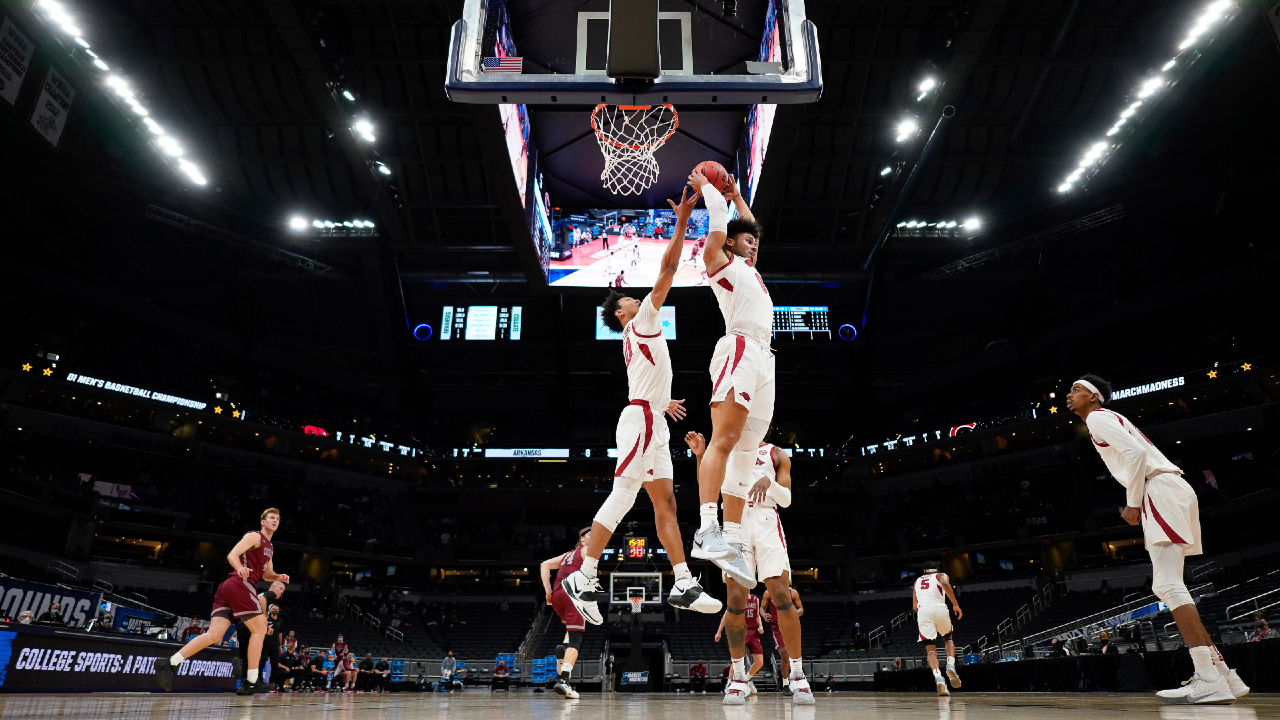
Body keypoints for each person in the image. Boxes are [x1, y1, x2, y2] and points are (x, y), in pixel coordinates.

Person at [561, 188, 721, 630]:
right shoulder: (643, 319)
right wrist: (684, 221)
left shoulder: (639, 334)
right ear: (621, 313)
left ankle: (684, 580)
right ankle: (585, 574)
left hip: (652, 418)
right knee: (625, 493)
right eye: (628, 298)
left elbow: (647, 379)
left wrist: (661, 399)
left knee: (666, 501)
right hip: (640, 420)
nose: (636, 297)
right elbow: (669, 268)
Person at [1067, 376, 1248, 704]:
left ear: (1094, 397)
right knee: (1170, 584)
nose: (1069, 395)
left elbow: (1135, 453)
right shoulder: (1107, 419)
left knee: (1167, 585)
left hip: (1158, 489)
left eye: (1076, 390)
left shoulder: (1097, 417)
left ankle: (1208, 677)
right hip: (1171, 487)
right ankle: (1224, 675)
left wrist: (1133, 501)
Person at [685, 169, 769, 593]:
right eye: (746, 239)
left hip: (763, 358)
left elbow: (751, 227)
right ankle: (706, 527)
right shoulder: (720, 262)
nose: (753, 241)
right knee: (725, 439)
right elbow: (721, 231)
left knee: (747, 450)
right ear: (731, 244)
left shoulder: (749, 267)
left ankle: (733, 540)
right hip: (738, 347)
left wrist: (737, 198)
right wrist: (710, 192)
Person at [691, 431, 814, 704]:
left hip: (767, 519)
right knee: (735, 599)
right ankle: (738, 677)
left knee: (781, 595)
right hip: (735, 521)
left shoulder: (777, 453)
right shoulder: (726, 448)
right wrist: (701, 456)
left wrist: (768, 481)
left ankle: (797, 675)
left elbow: (786, 499)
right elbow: (709, 485)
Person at [154, 507, 289, 695]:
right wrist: (240, 568)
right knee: (260, 629)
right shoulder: (254, 536)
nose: (275, 520)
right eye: (271, 518)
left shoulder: (269, 547)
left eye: (278, 519)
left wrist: (278, 576)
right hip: (239, 584)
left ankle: (169, 662)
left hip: (228, 588)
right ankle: (251, 680)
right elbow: (232, 555)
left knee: (214, 635)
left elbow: (267, 574)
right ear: (263, 522)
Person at [540, 527, 593, 699]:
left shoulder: (568, 555)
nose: (595, 538)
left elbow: (544, 565)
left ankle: (565, 678)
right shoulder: (587, 550)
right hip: (572, 595)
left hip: (557, 596)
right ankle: (563, 680)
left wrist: (548, 591)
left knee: (570, 634)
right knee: (577, 639)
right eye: (590, 536)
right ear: (582, 540)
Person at [913, 560, 963, 696]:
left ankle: (938, 678)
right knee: (948, 638)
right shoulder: (941, 575)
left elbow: (915, 607)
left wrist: (925, 616)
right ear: (936, 569)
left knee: (930, 649)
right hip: (939, 608)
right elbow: (946, 583)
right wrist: (955, 604)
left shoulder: (917, 581)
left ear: (924, 572)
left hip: (923, 611)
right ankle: (951, 665)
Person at [233, 582, 286, 685]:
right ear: (273, 586)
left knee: (246, 656)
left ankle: (245, 684)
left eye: (283, 590)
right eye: (280, 588)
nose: (281, 591)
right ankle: (253, 680)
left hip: (242, 624)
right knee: (259, 656)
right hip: (251, 626)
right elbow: (263, 601)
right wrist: (264, 621)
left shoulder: (259, 595)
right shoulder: (270, 595)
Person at [714, 591, 764, 699]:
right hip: (741, 631)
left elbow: (757, 615)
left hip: (753, 632)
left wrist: (760, 626)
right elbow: (726, 615)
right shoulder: (736, 598)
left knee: (760, 662)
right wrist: (719, 631)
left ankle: (747, 679)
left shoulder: (756, 599)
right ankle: (729, 683)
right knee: (737, 660)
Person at [761, 582, 805, 695]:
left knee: (795, 654)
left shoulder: (793, 593)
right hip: (777, 627)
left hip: (791, 626)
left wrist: (793, 612)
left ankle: (797, 679)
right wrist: (763, 614)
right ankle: (785, 684)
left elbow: (801, 609)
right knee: (784, 654)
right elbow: (762, 607)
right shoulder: (768, 593)